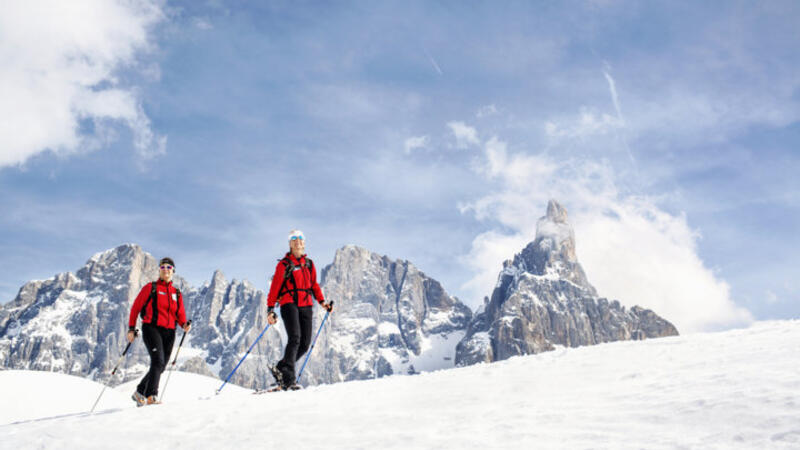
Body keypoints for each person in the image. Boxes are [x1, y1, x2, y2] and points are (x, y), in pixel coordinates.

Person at [266, 229, 332, 390]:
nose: (297, 241)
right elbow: (275, 287)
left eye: (300, 238)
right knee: (295, 337)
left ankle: (282, 367)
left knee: (304, 343)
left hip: (306, 304)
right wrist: (270, 309)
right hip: (288, 303)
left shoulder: (309, 264)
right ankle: (289, 380)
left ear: (304, 242)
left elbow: (314, 285)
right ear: (290, 243)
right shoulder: (283, 264)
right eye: (294, 239)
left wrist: (322, 302)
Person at [127, 257, 191, 406]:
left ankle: (140, 392)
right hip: (151, 328)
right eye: (163, 267)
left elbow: (180, 315)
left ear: (173, 271)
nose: (166, 270)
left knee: (161, 365)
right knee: (157, 361)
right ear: (159, 270)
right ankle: (151, 396)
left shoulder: (177, 293)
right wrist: (131, 328)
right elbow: (136, 308)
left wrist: (184, 324)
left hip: (170, 332)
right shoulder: (151, 287)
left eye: (169, 268)